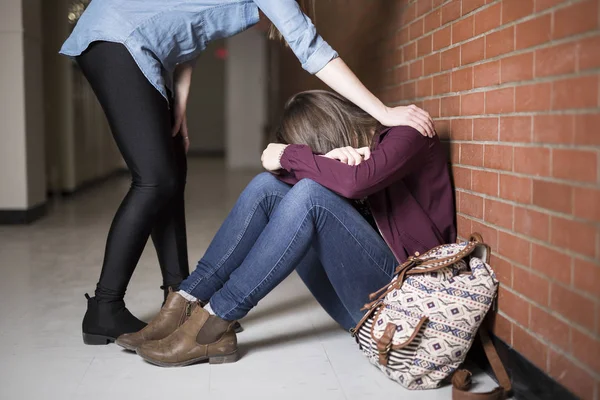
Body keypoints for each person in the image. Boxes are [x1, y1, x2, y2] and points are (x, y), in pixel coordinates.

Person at [60, 0, 436, 346]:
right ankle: (106, 306)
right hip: (120, 37)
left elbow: (189, 37)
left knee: (170, 179)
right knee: (156, 179)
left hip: (143, 50)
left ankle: (182, 299)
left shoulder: (404, 145)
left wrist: (181, 108)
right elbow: (308, 44)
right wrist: (384, 112)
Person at [114, 90, 455, 367]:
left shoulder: (408, 133)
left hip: (407, 300)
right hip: (363, 304)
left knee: (310, 195)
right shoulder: (350, 157)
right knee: (267, 187)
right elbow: (301, 186)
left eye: (312, 150)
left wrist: (291, 154)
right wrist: (318, 161)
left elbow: (355, 184)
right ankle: (187, 300)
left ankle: (217, 320)